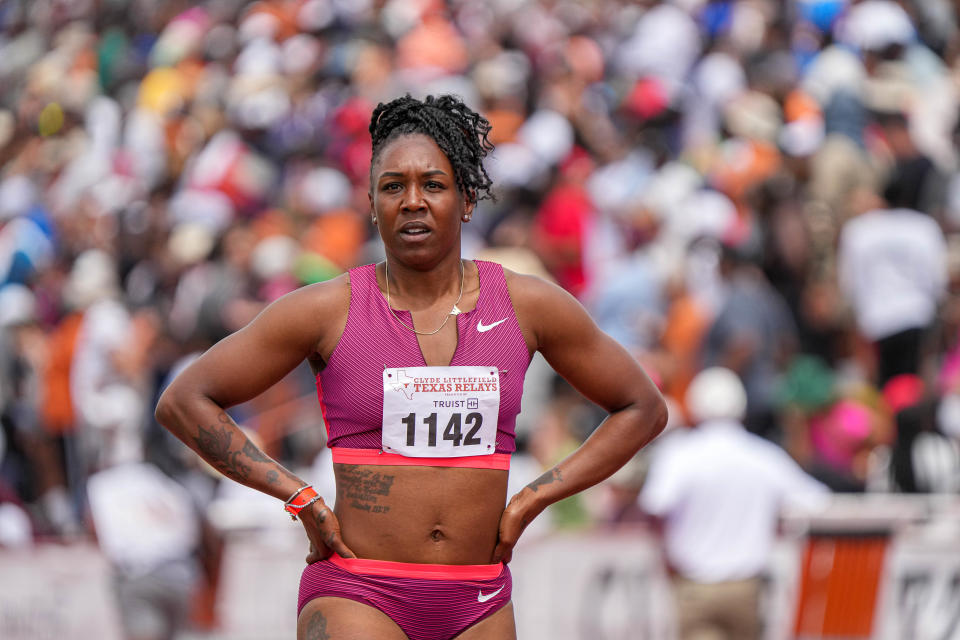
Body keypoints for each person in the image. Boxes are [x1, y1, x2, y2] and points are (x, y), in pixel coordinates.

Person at [155, 93, 667, 640]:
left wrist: (533, 498)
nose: (413, 201)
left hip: (480, 598)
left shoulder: (527, 305)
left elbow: (642, 408)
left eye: (434, 185)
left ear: (467, 200)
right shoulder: (325, 309)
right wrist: (296, 495)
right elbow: (183, 401)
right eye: (393, 186)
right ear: (372, 204)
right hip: (360, 590)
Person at [640, 367, 829, 640]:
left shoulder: (679, 455)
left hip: (694, 586)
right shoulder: (763, 455)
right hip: (746, 588)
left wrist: (667, 557)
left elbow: (654, 507)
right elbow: (816, 500)